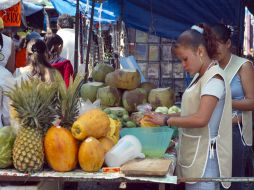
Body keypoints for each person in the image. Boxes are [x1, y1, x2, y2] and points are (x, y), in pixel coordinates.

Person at [145, 24, 232, 190]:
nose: (183, 65)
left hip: (206, 160)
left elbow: (201, 118)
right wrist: (160, 117)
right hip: (194, 153)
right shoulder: (200, 76)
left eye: (185, 59)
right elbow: (189, 113)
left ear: (200, 51)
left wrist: (166, 119)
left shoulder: (215, 79)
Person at [212, 24, 254, 190]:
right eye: (210, 46)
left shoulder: (243, 66)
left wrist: (224, 101)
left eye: (217, 44)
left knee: (235, 183)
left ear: (228, 43)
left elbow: (252, 102)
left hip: (236, 132)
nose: (214, 50)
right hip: (215, 133)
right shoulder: (212, 67)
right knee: (219, 182)